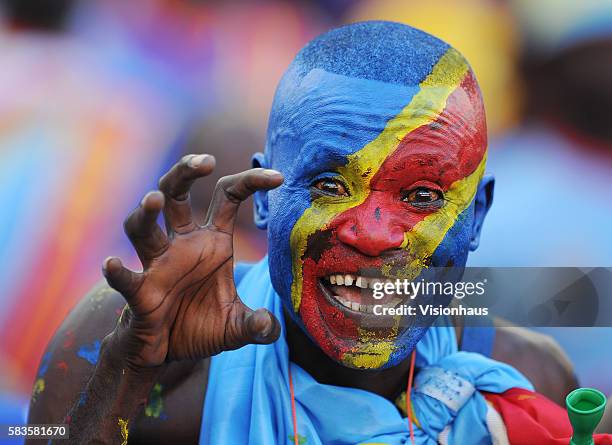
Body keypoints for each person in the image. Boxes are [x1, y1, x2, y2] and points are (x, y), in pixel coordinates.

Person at [28, 22, 603, 445]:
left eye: (423, 196)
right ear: (264, 197)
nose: (375, 235)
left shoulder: (528, 383)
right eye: (330, 185)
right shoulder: (128, 345)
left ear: (475, 217)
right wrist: (126, 377)